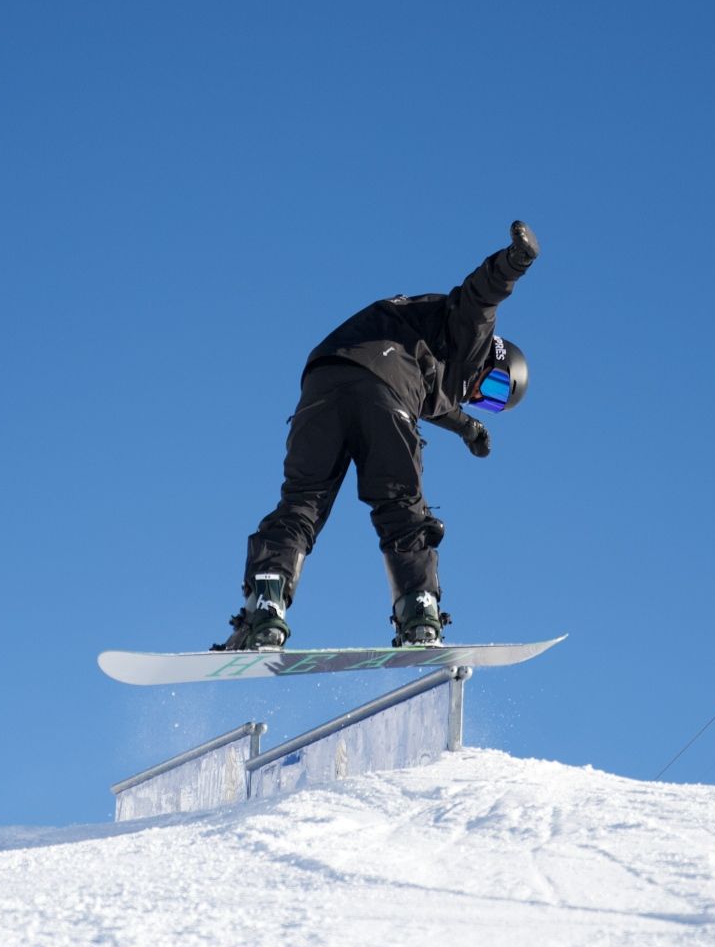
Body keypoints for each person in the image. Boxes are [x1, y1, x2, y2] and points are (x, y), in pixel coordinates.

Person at [217, 221, 539, 651]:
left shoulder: (424, 334)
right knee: (400, 505)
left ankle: (265, 612)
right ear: (495, 356)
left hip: (323, 380)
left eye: (492, 403)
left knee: (302, 501)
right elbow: (483, 295)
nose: (479, 395)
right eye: (495, 386)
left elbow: (429, 397)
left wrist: (468, 427)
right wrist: (515, 263)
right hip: (386, 391)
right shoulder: (469, 334)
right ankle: (419, 616)